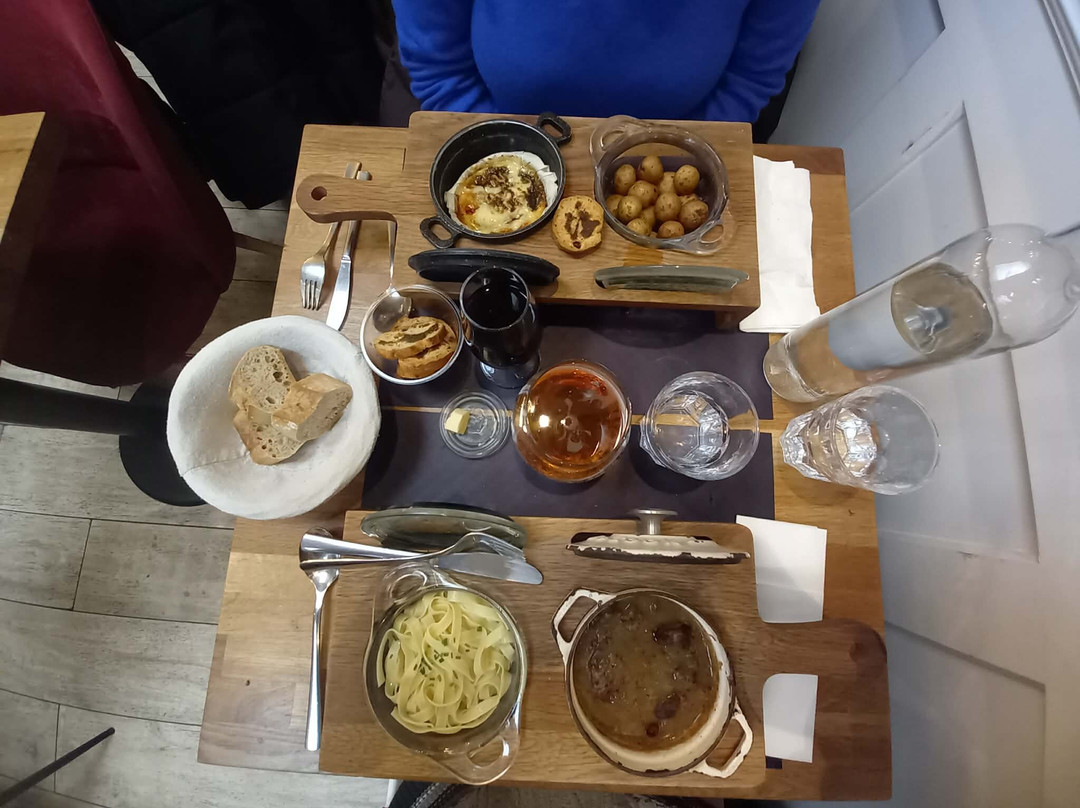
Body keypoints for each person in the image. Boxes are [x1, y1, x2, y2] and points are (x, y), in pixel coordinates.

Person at [391, 0, 819, 125]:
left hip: (682, 150)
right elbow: (441, 70)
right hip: (480, 125)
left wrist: (668, 161)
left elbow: (749, 79)